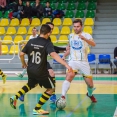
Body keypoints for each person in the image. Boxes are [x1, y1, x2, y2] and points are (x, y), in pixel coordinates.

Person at [10, 24, 73, 115]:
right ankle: (37, 108)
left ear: (40, 31)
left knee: (31, 84)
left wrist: (23, 63)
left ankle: (15, 96)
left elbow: (21, 54)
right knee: (51, 89)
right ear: (48, 33)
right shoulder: (47, 43)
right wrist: (66, 65)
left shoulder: (31, 41)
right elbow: (54, 55)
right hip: (40, 70)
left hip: (30, 69)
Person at [16, 23, 66, 103]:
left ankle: (22, 93)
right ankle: (51, 95)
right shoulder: (41, 39)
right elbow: (51, 51)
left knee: (39, 80)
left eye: (52, 28)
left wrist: (63, 49)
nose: (51, 30)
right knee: (44, 77)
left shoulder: (47, 39)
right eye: (50, 28)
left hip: (42, 61)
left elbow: (52, 48)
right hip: (38, 62)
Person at [59, 19, 97, 103]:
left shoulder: (87, 35)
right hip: (73, 61)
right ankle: (62, 97)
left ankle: (90, 94)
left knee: (90, 85)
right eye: (74, 26)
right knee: (69, 76)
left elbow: (94, 44)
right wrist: (64, 55)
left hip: (84, 62)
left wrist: (85, 39)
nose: (76, 28)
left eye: (78, 26)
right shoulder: (70, 36)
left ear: (81, 26)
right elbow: (70, 48)